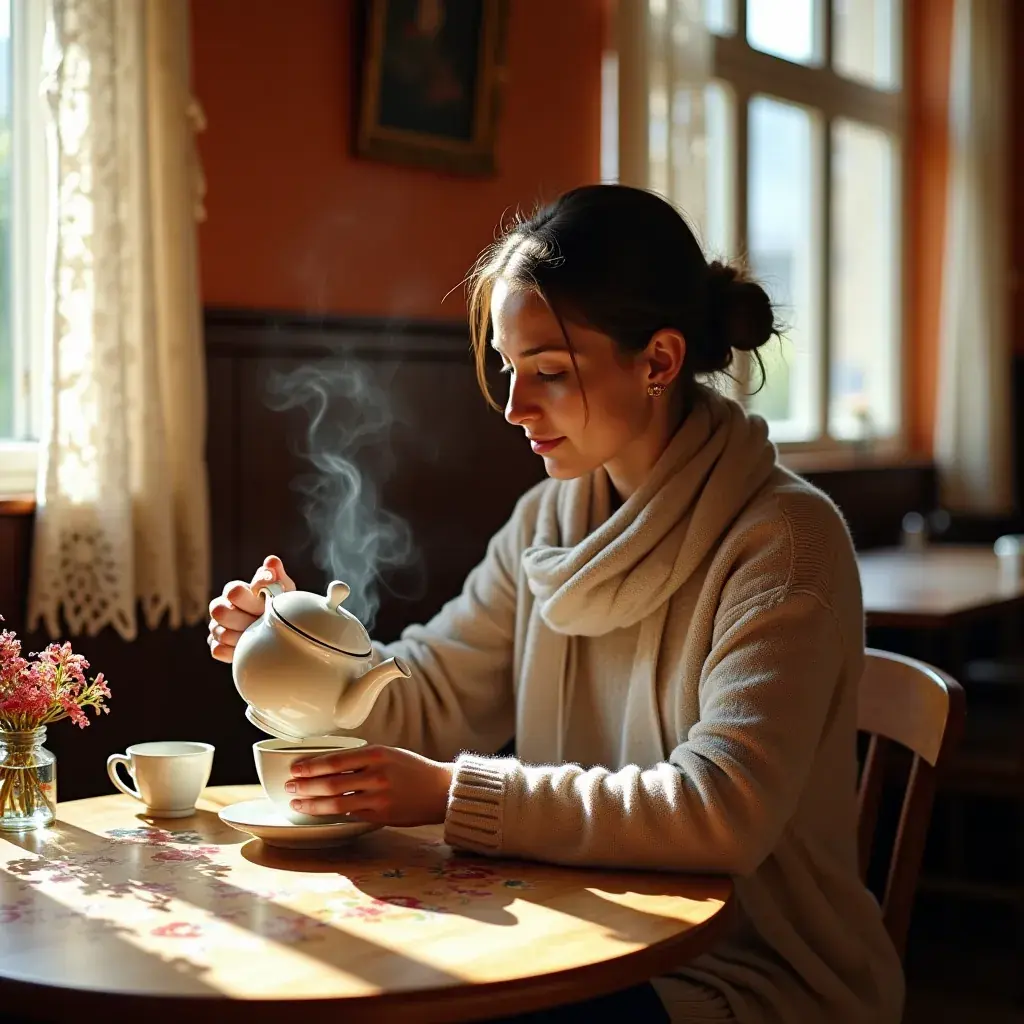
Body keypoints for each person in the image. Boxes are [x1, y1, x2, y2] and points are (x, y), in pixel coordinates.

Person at [208, 184, 904, 1023]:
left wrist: (449, 795)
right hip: (579, 933)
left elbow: (722, 811)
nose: (512, 406)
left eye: (548, 372)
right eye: (507, 367)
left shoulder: (784, 543)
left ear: (658, 362)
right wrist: (310, 657)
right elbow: (430, 693)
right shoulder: (550, 521)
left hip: (747, 976)